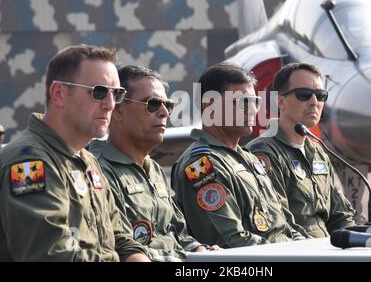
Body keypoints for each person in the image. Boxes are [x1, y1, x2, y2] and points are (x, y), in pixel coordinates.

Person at [0, 45, 150, 261]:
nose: (110, 105)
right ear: (59, 94)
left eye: (117, 94)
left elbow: (119, 237)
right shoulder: (30, 162)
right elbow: (50, 254)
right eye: (98, 92)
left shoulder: (86, 159)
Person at [171, 62, 308, 248]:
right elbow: (233, 240)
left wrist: (305, 248)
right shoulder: (201, 165)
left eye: (255, 101)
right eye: (244, 102)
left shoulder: (250, 159)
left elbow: (285, 225)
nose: (253, 109)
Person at [90, 65, 218, 261]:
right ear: (117, 111)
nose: (165, 113)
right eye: (152, 104)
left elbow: (178, 232)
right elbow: (119, 247)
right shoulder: (98, 170)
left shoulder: (154, 169)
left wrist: (201, 251)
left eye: (168, 105)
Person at [246, 62, 355, 238]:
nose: (314, 102)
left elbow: (341, 216)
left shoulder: (317, 152)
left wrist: (355, 241)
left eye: (320, 96)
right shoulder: (263, 153)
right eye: (304, 95)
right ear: (281, 101)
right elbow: (277, 224)